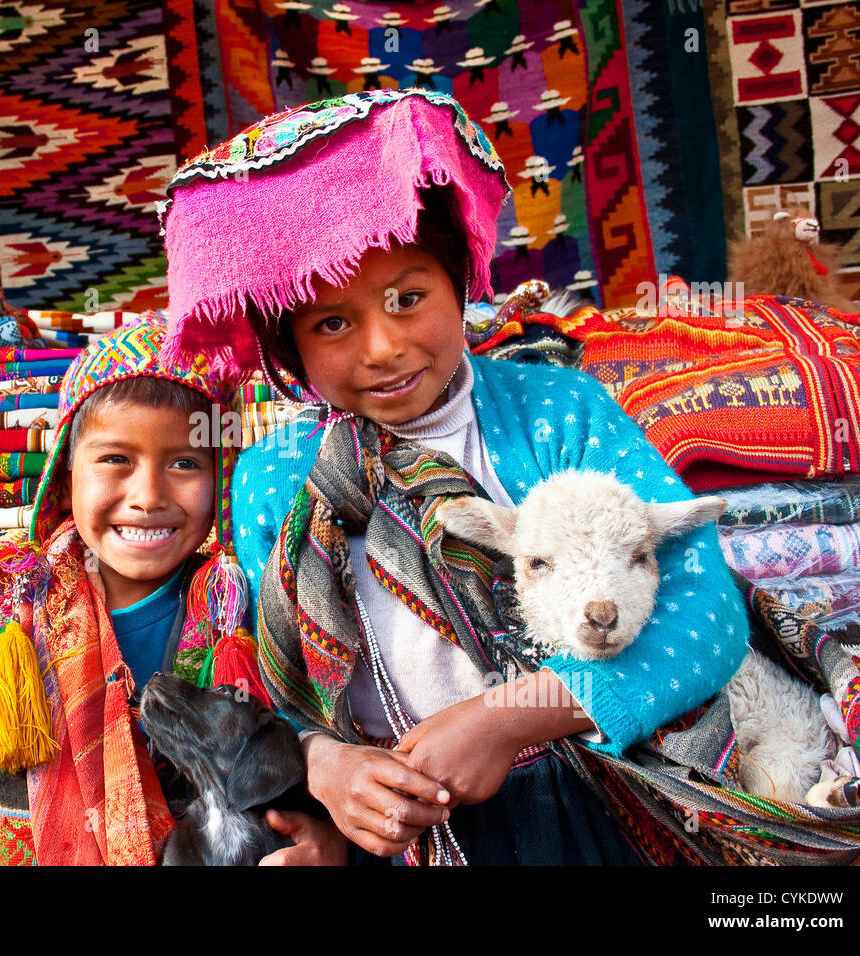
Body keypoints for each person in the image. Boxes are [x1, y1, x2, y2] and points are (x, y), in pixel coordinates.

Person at [159, 89, 752, 864]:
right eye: (332, 323)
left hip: (591, 800)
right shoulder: (278, 475)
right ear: (288, 346)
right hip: (392, 833)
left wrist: (511, 717)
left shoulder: (558, 416)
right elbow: (274, 678)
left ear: (461, 281)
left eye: (409, 298)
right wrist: (326, 764)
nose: (383, 346)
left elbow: (701, 611)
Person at [0, 316, 342, 864]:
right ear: (63, 478)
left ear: (223, 475)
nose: (148, 495)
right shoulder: (9, 633)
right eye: (116, 460)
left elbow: (320, 775)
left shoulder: (251, 619)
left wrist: (331, 848)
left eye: (185, 463)